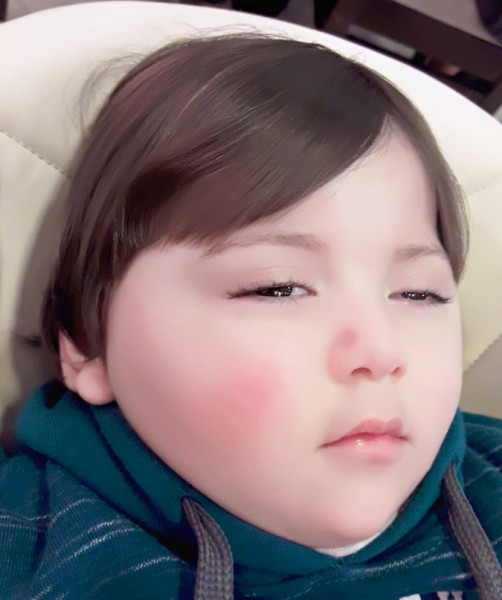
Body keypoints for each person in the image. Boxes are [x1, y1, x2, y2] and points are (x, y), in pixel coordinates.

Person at [0, 33, 501, 600]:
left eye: (419, 294)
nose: (383, 352)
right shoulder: (29, 550)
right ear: (88, 347)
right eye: (278, 288)